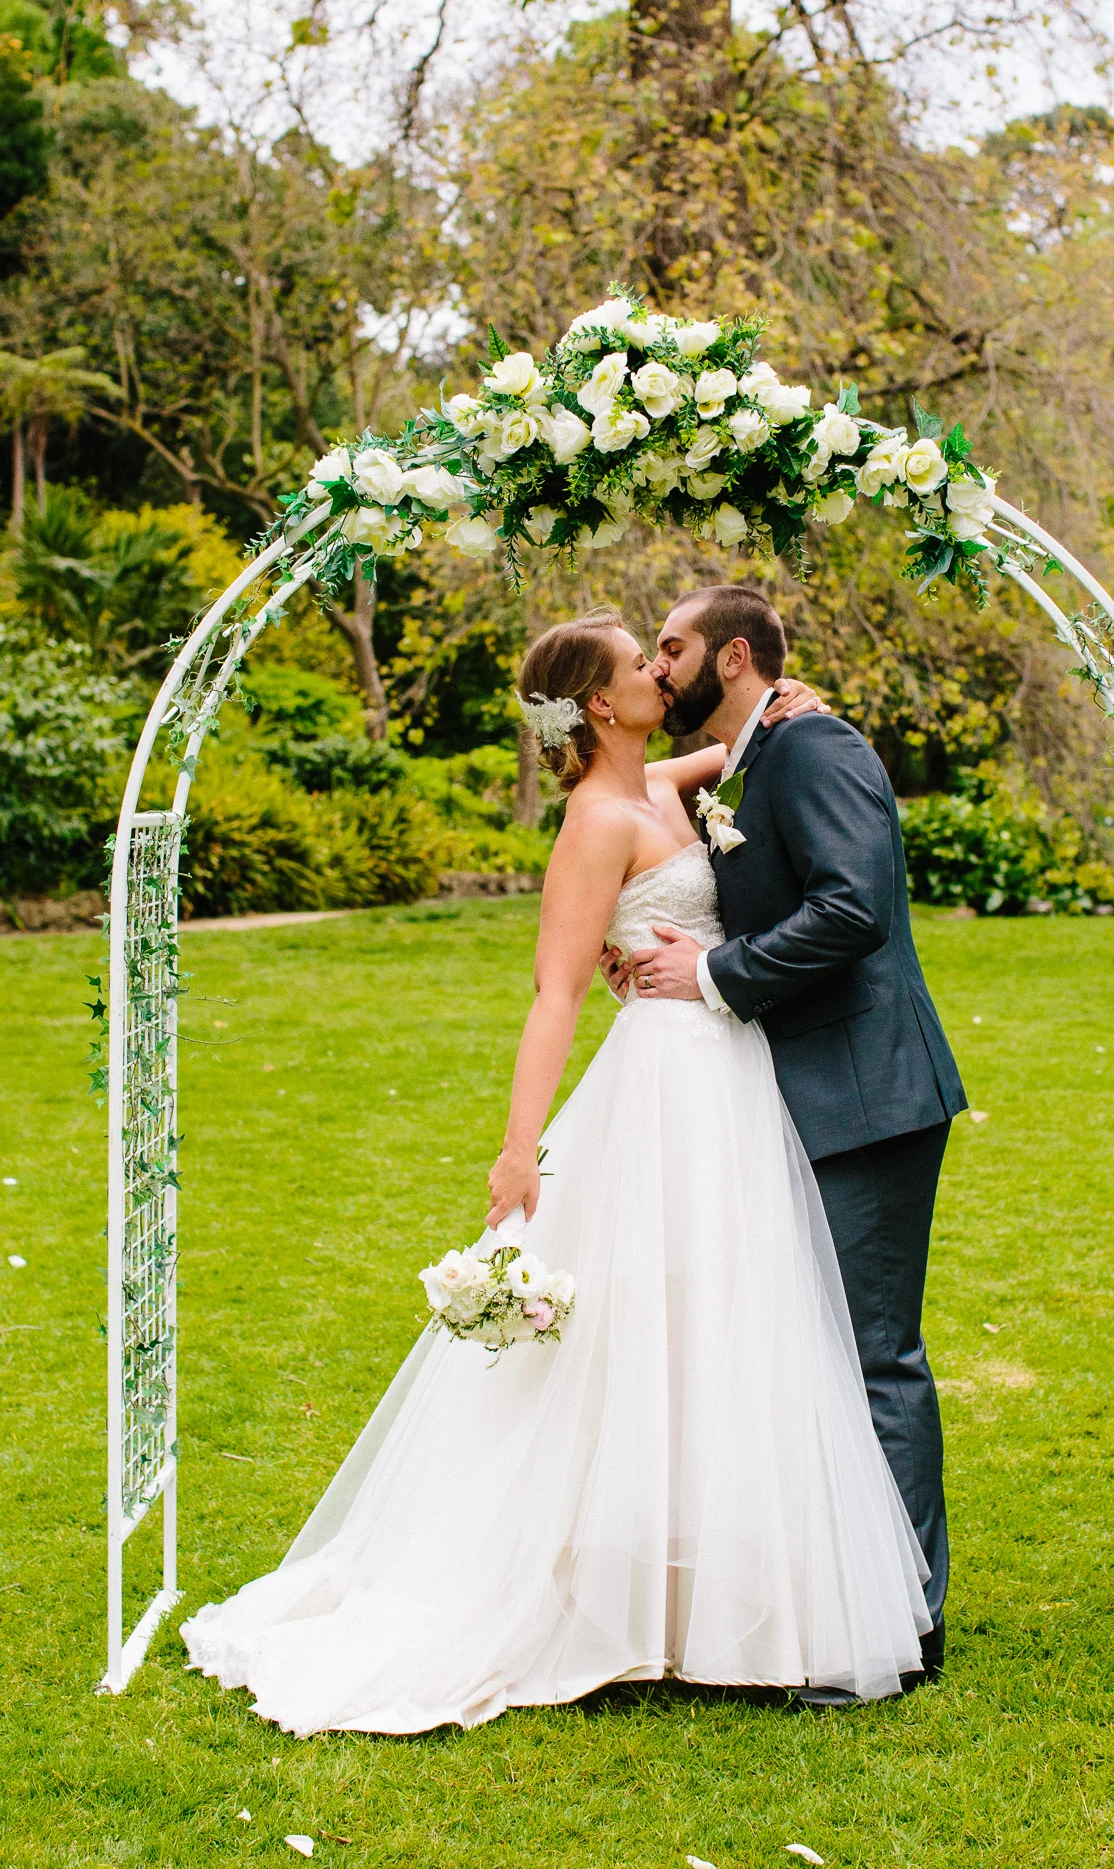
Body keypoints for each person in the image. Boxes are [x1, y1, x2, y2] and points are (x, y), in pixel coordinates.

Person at [180, 609, 933, 1736]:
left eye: (663, 654)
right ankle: (624, 1590)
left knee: (733, 1322)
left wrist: (789, 698)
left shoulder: (665, 782)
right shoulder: (593, 820)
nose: (657, 674)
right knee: (638, 1329)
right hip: (664, 1086)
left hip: (730, 1082)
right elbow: (556, 992)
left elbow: (738, 746)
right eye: (642, 664)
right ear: (599, 704)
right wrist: (517, 1146)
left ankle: (717, 1584)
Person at [618, 586, 966, 1692]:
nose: (658, 667)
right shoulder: (754, 751)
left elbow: (852, 905)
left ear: (727, 655)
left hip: (865, 1093)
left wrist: (712, 972)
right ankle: (842, 1598)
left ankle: (907, 1621)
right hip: (793, 1093)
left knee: (873, 1355)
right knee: (813, 1351)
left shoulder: (811, 746)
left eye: (668, 648)